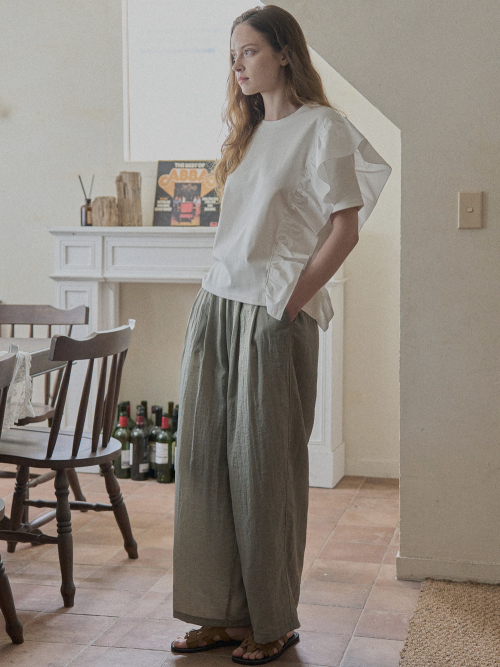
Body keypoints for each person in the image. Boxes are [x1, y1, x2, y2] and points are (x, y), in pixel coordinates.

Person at [171, 5, 392, 665]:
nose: (237, 64)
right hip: (218, 306)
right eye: (233, 53)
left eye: (249, 50)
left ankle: (272, 622)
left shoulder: (323, 128)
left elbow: (345, 229)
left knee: (265, 474)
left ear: (285, 53)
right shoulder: (248, 131)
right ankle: (222, 613)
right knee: (208, 468)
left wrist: (290, 301)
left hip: (271, 313)